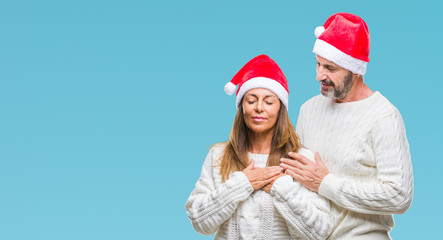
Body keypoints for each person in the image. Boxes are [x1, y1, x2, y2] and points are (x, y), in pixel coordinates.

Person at [280, 13, 414, 239]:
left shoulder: (383, 117)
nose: (319, 75)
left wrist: (326, 183)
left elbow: (399, 195)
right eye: (318, 64)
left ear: (356, 70)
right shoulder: (308, 109)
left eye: (330, 68)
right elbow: (300, 177)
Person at [185, 54, 332, 239]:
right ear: (242, 107)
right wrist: (243, 183)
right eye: (251, 101)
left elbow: (319, 233)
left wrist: (281, 189)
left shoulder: (300, 159)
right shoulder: (219, 156)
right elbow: (199, 222)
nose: (259, 108)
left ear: (280, 108)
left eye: (269, 102)